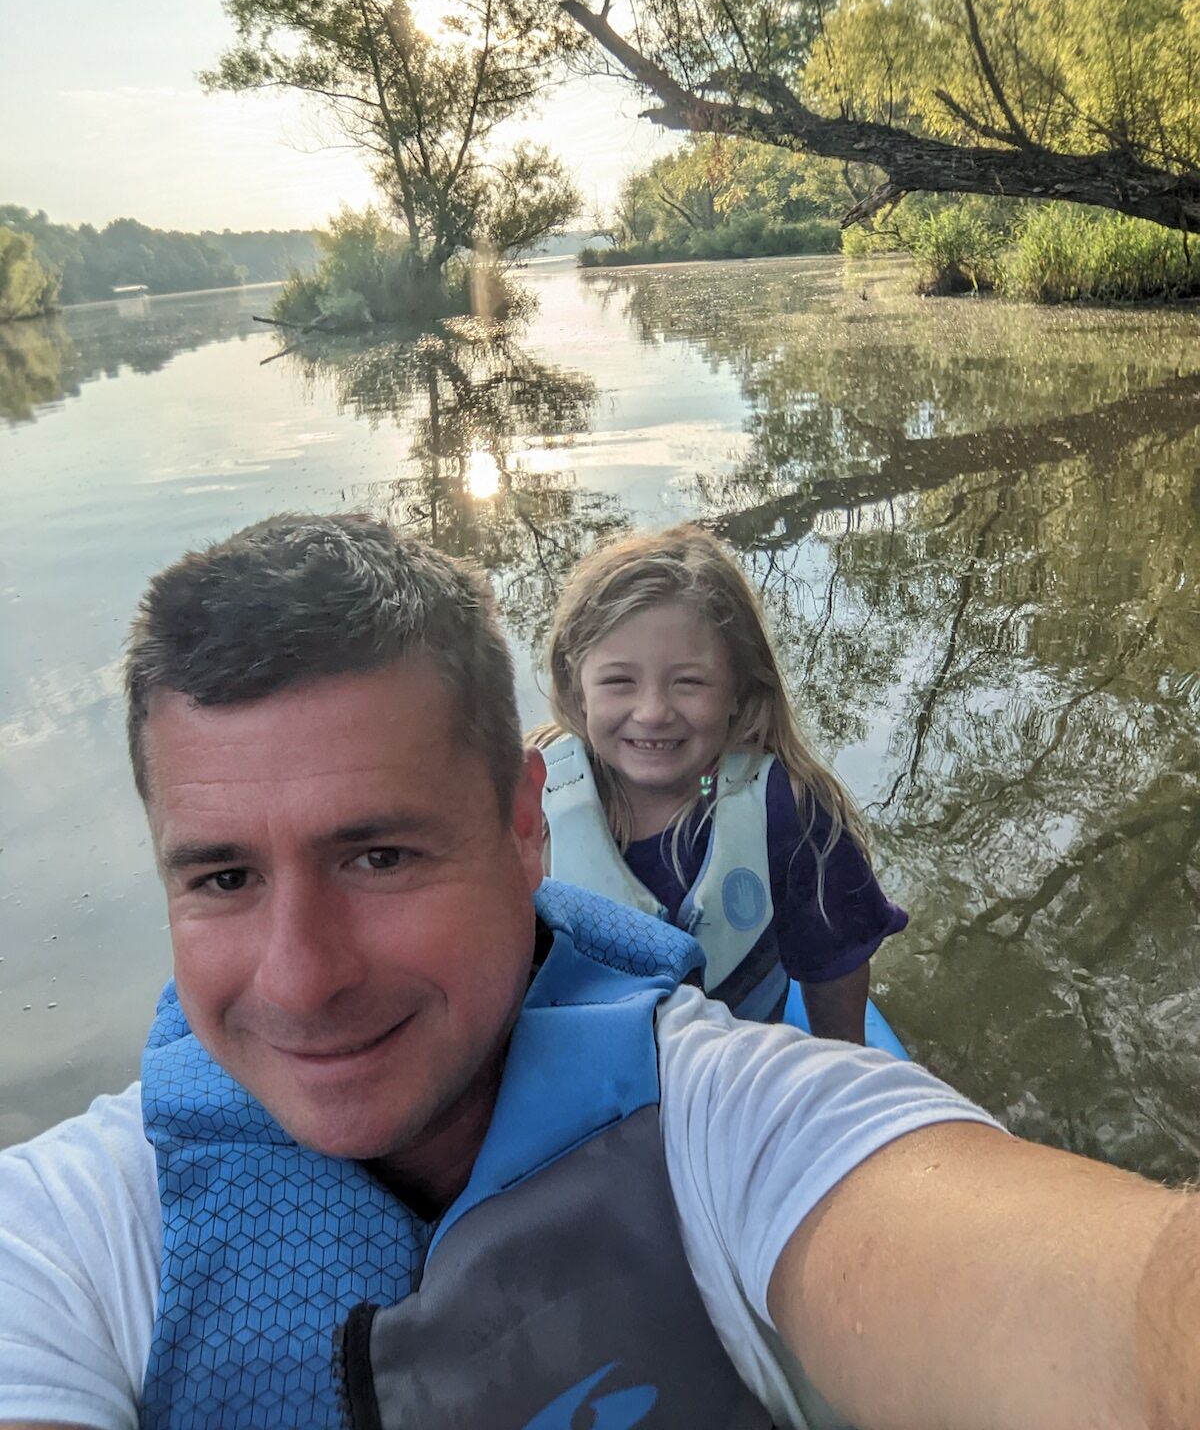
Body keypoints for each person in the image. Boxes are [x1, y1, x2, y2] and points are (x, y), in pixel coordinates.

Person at [0, 512, 1196, 1430]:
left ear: (526, 829)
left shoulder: (732, 1122)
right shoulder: (61, 1239)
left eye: (379, 854)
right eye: (220, 878)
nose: (300, 980)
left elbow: (1126, 1315)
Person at [532, 524, 905, 1040]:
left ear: (739, 689)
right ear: (577, 687)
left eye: (689, 683)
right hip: (589, 1091)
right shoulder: (531, 800)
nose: (653, 712)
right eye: (619, 681)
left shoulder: (787, 810)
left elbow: (837, 971)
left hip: (736, 1090)